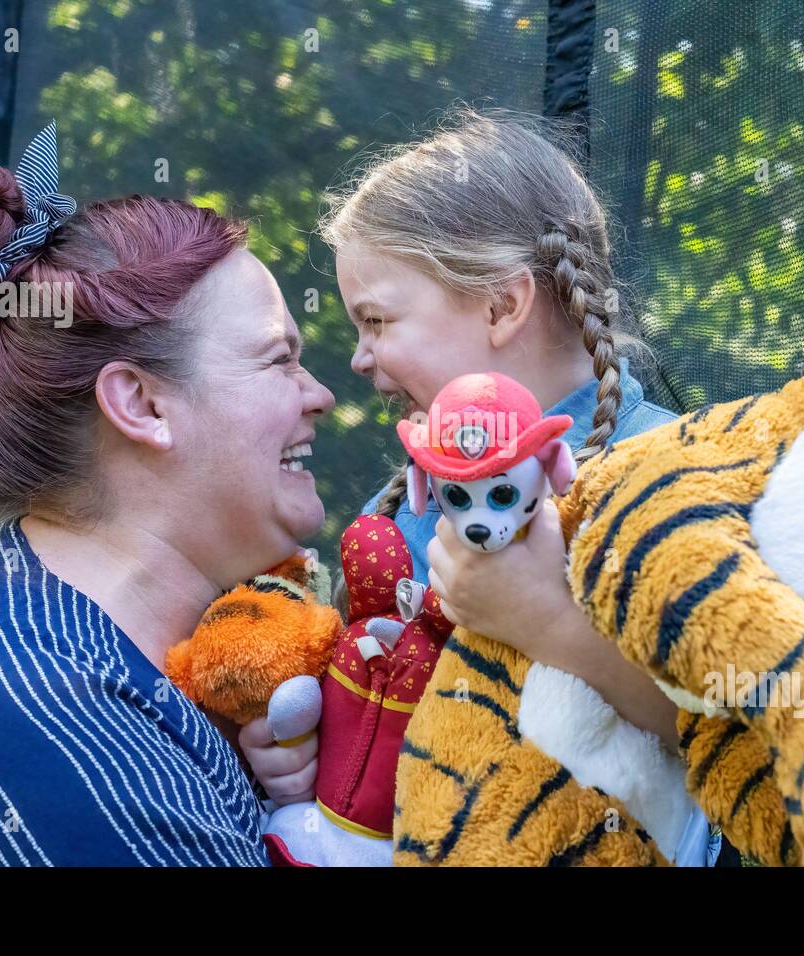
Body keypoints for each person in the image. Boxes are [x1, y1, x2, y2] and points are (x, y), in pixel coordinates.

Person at [0, 124, 333, 866]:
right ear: (142, 405)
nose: (320, 395)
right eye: (278, 359)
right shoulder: (64, 732)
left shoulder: (44, 636)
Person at [249, 108, 719, 865]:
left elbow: (737, 721)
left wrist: (549, 624)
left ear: (503, 305)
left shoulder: (670, 467)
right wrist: (304, 749)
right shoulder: (407, 502)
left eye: (376, 320)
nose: (361, 360)